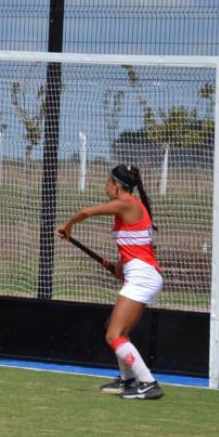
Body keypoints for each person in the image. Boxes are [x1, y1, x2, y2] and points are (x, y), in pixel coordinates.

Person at [56, 165, 164, 400]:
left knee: (113, 336)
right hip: (141, 273)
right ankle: (127, 380)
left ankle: (148, 382)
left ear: (117, 186)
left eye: (107, 182)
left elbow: (86, 212)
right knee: (115, 329)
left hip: (142, 277)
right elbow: (135, 248)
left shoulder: (127, 204)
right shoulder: (132, 209)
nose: (105, 186)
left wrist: (68, 226)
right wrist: (118, 266)